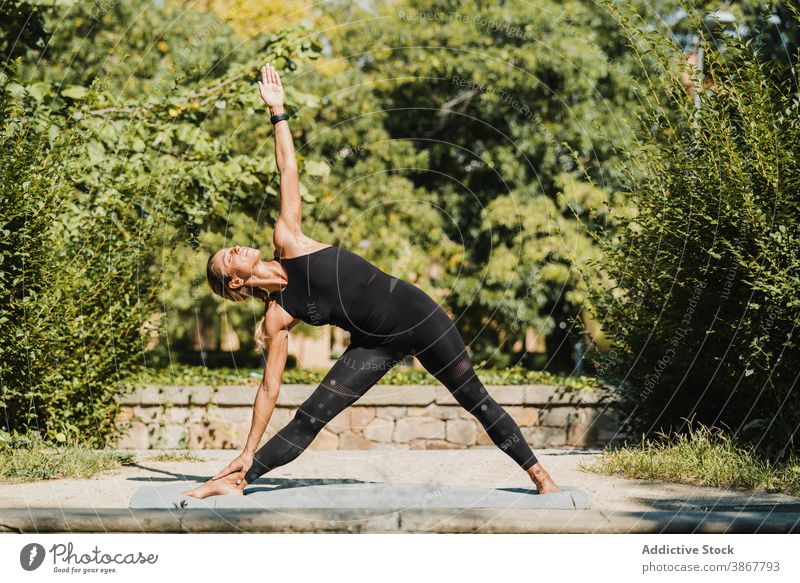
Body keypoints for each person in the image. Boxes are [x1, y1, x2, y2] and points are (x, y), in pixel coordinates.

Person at [183, 63, 559, 499]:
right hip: (373, 345)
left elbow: (288, 169)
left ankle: (542, 479)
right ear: (234, 283)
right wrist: (248, 447)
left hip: (420, 316)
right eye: (230, 257)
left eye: (231, 247)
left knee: (476, 398)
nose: (237, 248)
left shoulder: (289, 240)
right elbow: (270, 387)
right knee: (310, 415)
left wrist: (278, 112)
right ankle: (239, 479)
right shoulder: (278, 319)